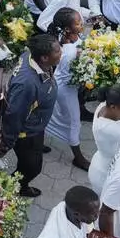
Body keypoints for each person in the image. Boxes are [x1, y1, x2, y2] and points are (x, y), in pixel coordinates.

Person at [3, 35, 61, 197]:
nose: (61, 51)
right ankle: (14, 186)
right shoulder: (27, 85)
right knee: (32, 167)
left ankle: (37, 148)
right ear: (44, 58)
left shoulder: (29, 55)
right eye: (57, 50)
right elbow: (14, 115)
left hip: (37, 124)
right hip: (27, 133)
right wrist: (7, 141)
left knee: (33, 155)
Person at [42, 9, 89, 169]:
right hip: (65, 90)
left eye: (81, 21)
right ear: (68, 29)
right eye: (78, 23)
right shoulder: (68, 51)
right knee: (75, 122)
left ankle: (37, 138)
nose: (81, 24)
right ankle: (78, 158)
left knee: (50, 114)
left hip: (69, 86)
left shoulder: (74, 38)